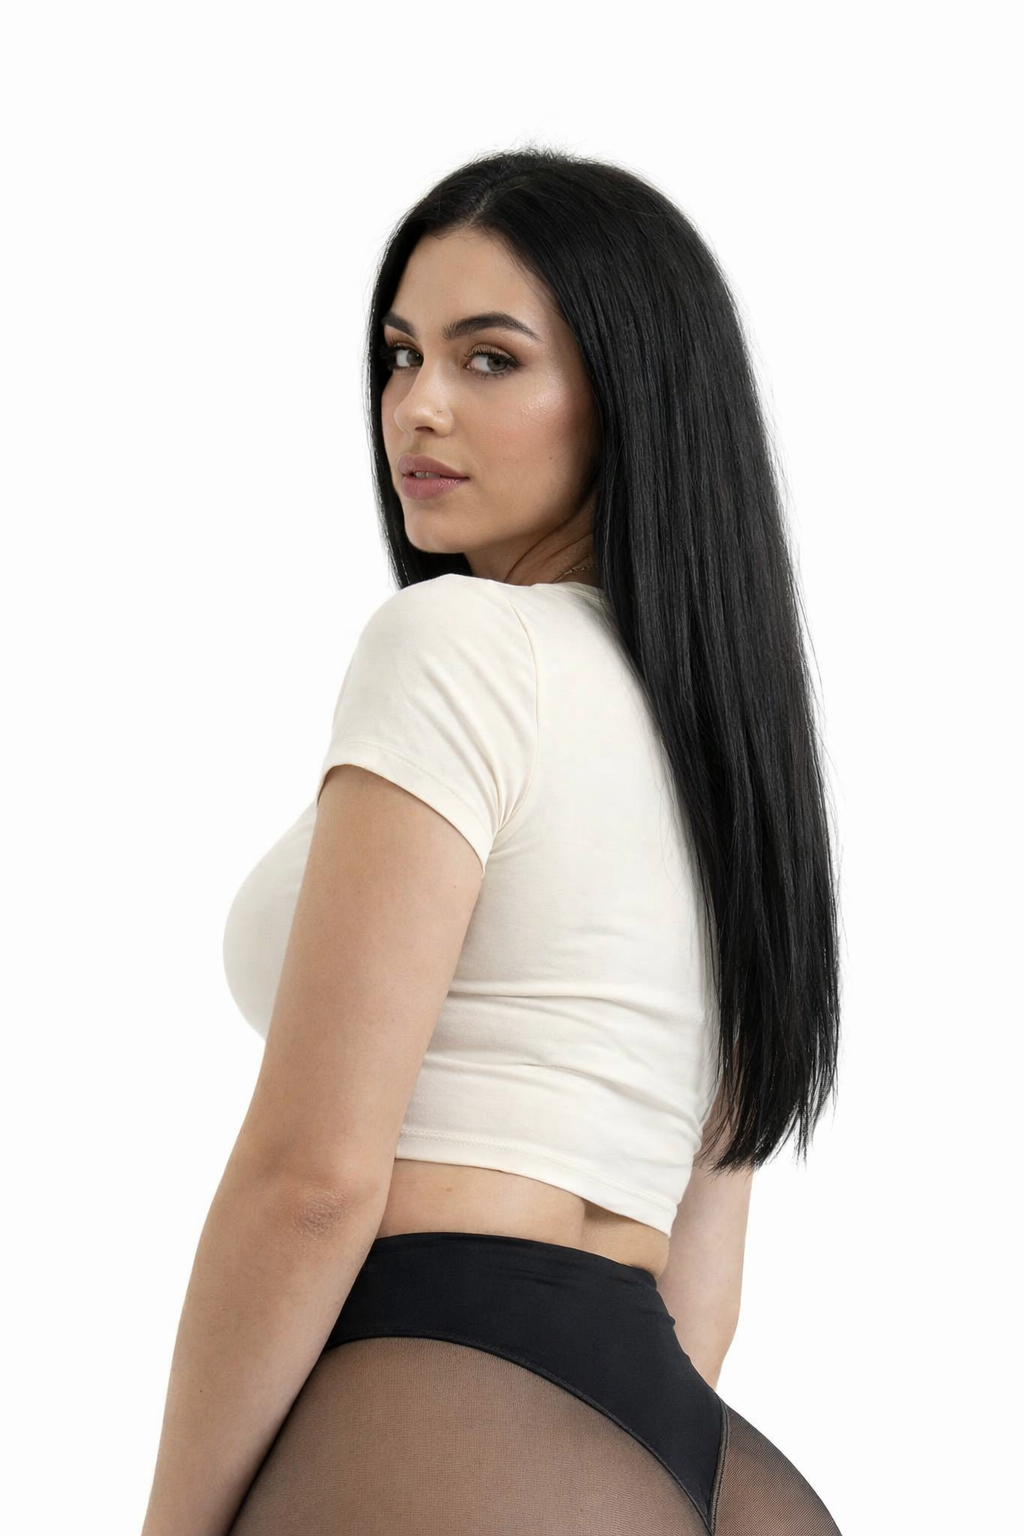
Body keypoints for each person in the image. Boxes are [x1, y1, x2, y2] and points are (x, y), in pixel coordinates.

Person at [142, 147, 844, 1535]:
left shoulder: (457, 645)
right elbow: (704, 1278)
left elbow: (311, 1185)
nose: (419, 405)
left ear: (629, 394)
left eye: (489, 359)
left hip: (439, 1392)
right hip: (694, 1452)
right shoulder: (727, 743)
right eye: (401, 355)